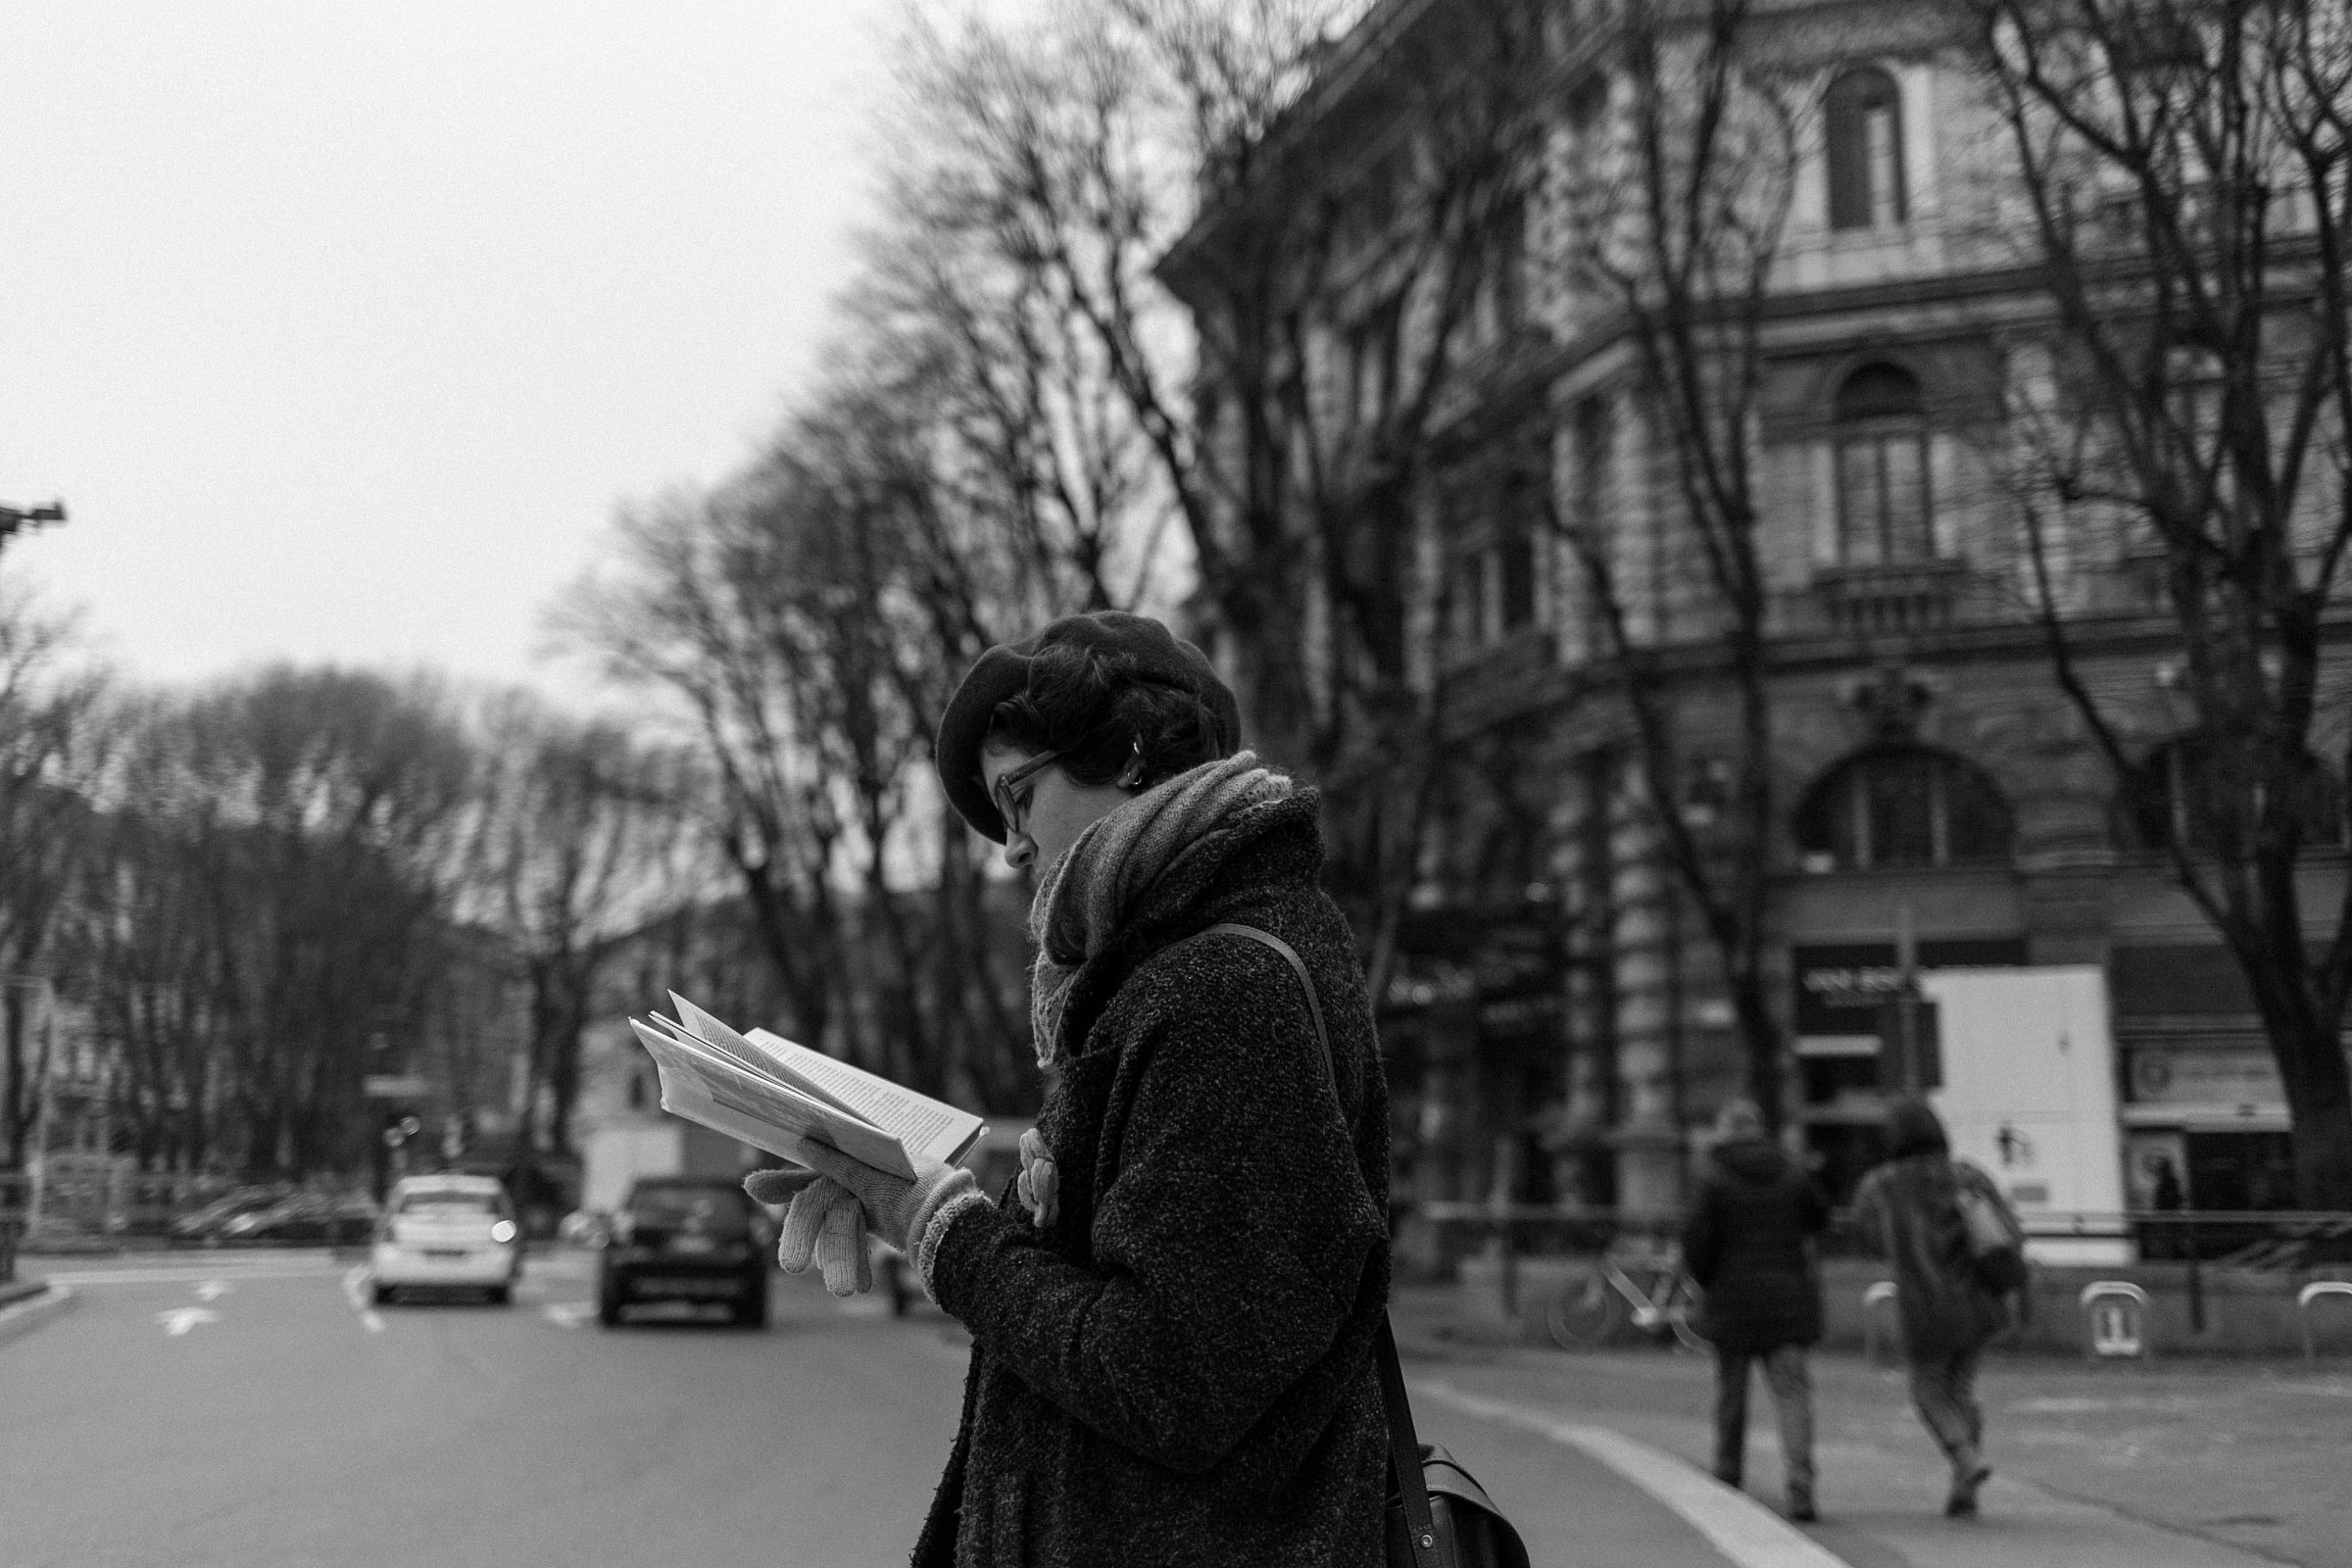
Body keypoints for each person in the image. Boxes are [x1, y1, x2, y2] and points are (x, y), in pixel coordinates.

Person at [748, 611, 1394, 1567]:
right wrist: (901, 1198)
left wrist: (942, 1225)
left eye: (1019, 795)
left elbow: (1168, 1378)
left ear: (1129, 753)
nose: (1009, 848)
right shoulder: (1170, 968)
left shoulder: (1222, 994)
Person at [1849, 1097, 2014, 1518]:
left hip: (1925, 1304)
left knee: (1926, 1390)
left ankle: (1965, 1460)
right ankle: (1964, 1487)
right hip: (1978, 1302)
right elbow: (2008, 1229)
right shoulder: (1969, 1177)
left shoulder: (1882, 1186)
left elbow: (1867, 1234)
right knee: (1959, 1389)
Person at [1679, 1099, 1830, 1523]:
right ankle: (1800, 1486)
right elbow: (1820, 1217)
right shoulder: (1791, 1171)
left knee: (1731, 1393)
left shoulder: (1711, 1177)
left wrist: (1707, 1280)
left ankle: (1728, 1475)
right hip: (1787, 1300)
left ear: (1725, 1131)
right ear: (1759, 1129)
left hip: (1732, 1303)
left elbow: (1696, 1242)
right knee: (1793, 1395)